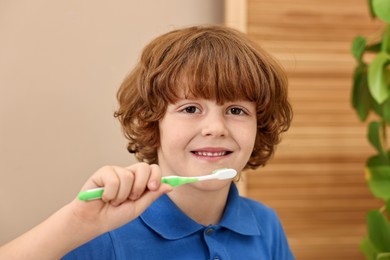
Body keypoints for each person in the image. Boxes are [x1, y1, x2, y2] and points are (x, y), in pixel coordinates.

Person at [0, 25, 294, 259]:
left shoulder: (265, 226)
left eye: (236, 110)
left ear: (260, 126)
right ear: (152, 122)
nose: (215, 128)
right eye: (190, 109)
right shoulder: (105, 231)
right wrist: (78, 223)